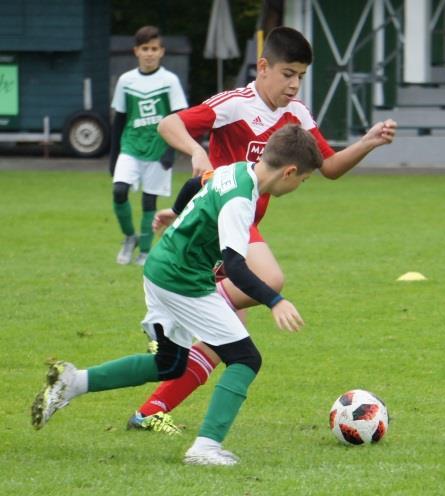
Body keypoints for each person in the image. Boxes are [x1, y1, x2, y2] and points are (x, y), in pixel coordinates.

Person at [126, 26, 397, 430]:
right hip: (223, 219)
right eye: (288, 73)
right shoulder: (235, 105)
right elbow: (169, 125)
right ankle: (175, 316)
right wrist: (198, 150)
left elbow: (330, 168)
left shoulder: (297, 115)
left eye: (301, 75)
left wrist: (368, 142)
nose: (294, 84)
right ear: (264, 66)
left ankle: (148, 413)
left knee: (228, 337)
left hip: (236, 227)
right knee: (269, 278)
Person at [31, 125, 323, 466]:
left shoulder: (236, 169)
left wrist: (177, 211)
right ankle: (205, 447)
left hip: (161, 267)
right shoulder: (241, 201)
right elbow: (235, 266)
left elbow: (194, 183)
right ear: (289, 171)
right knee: (246, 358)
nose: (299, 187)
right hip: (182, 281)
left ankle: (74, 381)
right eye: (302, 180)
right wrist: (276, 300)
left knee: (169, 364)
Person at [110, 25, 188, 266]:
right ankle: (129, 237)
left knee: (149, 202)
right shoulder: (126, 81)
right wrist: (113, 157)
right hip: (130, 147)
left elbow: (180, 118)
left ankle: (144, 251)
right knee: (119, 191)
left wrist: (170, 150)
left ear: (162, 52)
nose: (150, 53)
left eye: (154, 48)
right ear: (136, 51)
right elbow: (120, 119)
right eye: (145, 48)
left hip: (158, 149)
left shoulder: (169, 81)